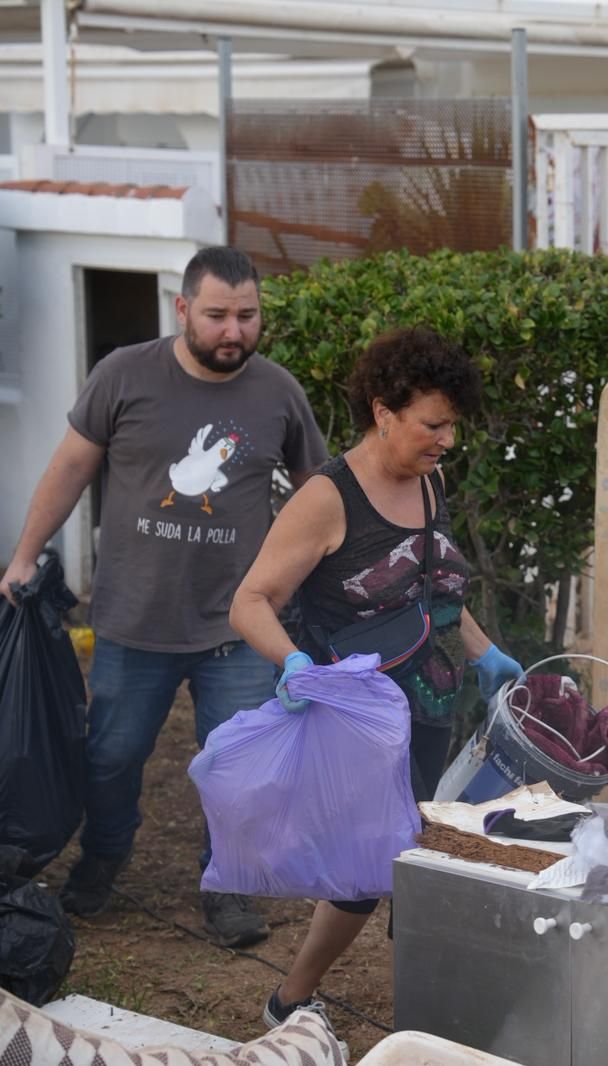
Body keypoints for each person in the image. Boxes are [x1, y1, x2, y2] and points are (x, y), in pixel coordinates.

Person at [0, 247, 329, 947]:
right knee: (111, 758)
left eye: (247, 316)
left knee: (237, 767)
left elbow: (318, 493)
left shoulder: (278, 393)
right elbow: (69, 467)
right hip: (134, 620)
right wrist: (25, 555)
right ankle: (104, 855)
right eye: (217, 316)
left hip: (238, 625)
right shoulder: (123, 374)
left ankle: (227, 882)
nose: (233, 331)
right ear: (182, 309)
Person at [229, 326, 524, 1027]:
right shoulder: (328, 499)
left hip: (429, 703)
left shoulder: (430, 480)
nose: (447, 439)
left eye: (452, 424)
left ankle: (327, 998)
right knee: (385, 864)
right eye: (433, 424)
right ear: (383, 412)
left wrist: (484, 652)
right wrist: (293, 662)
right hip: (358, 716)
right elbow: (249, 601)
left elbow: (431, 592)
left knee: (405, 859)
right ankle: (310, 1002)